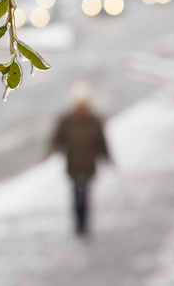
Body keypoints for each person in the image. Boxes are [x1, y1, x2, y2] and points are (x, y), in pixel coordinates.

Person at [46, 85, 109, 236]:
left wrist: (107, 157)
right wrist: (49, 153)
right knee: (76, 195)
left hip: (88, 164)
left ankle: (84, 224)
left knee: (85, 194)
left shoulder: (94, 120)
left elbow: (102, 141)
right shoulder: (66, 120)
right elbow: (56, 139)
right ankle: (78, 224)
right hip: (73, 164)